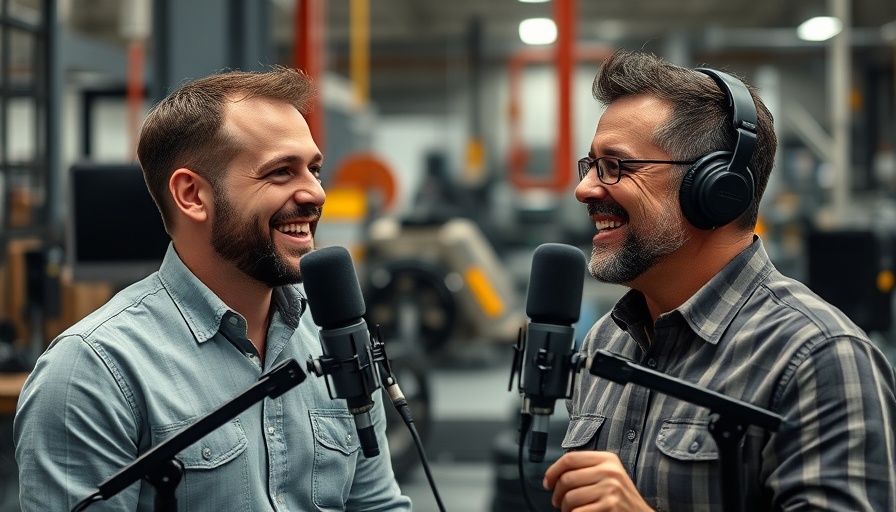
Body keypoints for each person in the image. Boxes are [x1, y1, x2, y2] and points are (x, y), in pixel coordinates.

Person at [14, 66, 412, 511]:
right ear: (192, 195)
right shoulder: (92, 371)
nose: (316, 194)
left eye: (314, 170)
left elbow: (377, 505)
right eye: (281, 172)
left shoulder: (332, 336)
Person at [543, 49, 896, 511]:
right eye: (590, 166)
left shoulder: (819, 357)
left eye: (615, 166)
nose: (584, 189)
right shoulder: (606, 343)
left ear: (716, 188)